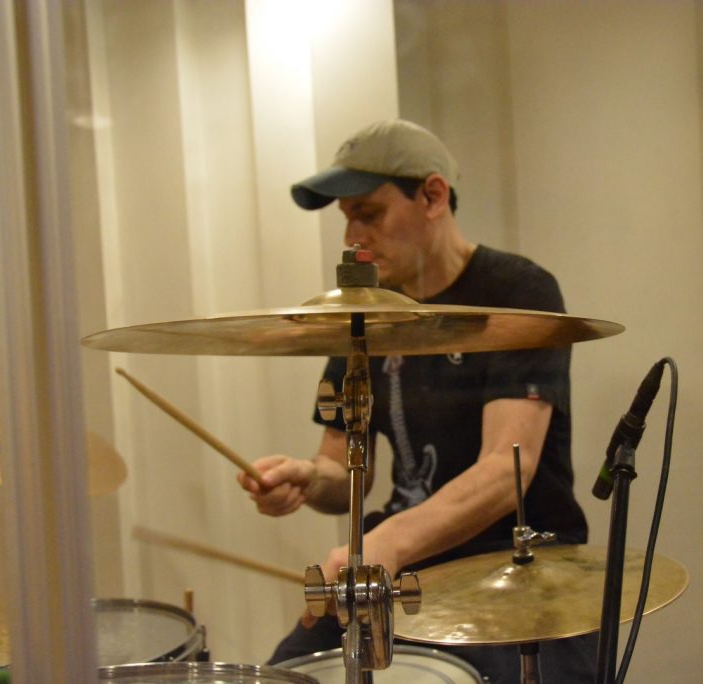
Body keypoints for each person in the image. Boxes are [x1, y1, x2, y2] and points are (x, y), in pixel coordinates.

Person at [237, 119, 596, 682]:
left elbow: (507, 471)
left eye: (369, 213)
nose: (352, 235)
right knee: (286, 675)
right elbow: (341, 468)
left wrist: (387, 541)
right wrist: (306, 477)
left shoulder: (516, 292)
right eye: (347, 217)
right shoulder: (365, 314)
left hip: (517, 560)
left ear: (432, 196)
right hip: (405, 566)